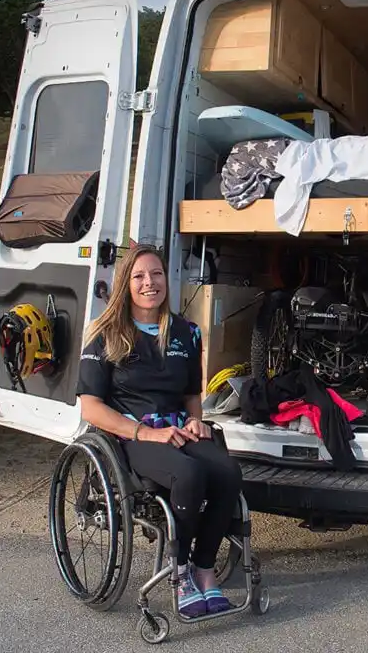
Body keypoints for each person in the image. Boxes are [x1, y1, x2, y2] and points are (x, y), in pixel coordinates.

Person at [75, 243, 243, 618]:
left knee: (228, 472)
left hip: (178, 429)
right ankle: (179, 571)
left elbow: (189, 394)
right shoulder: (103, 334)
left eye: (156, 274)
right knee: (189, 472)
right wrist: (145, 433)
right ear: (125, 285)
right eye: (139, 276)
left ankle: (203, 569)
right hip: (130, 437)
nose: (149, 283)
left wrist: (196, 419)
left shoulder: (185, 331)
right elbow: (91, 407)